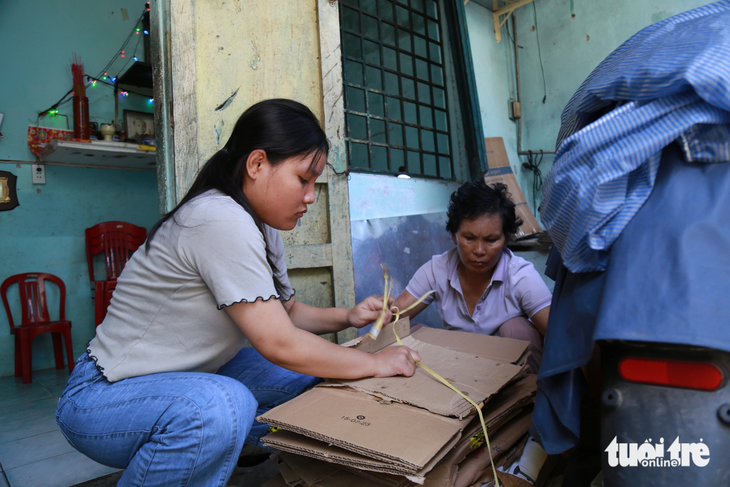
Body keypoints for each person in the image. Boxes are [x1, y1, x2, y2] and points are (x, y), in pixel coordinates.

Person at [56, 99, 420, 486]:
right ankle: (204, 444)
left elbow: (287, 312)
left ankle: (214, 452)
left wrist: (347, 317)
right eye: (303, 179)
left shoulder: (262, 228)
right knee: (222, 405)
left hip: (187, 379)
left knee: (306, 376)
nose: (311, 196)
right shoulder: (217, 217)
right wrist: (378, 363)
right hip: (102, 396)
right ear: (257, 164)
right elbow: (279, 341)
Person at [392, 180, 551, 374]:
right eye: (469, 238)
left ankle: (531, 399)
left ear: (506, 238)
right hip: (457, 365)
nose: (479, 251)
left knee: (517, 329)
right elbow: (395, 314)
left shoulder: (520, 275)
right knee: (410, 332)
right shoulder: (437, 269)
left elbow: (558, 336)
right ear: (454, 235)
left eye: (491, 240)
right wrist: (378, 312)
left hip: (507, 370)